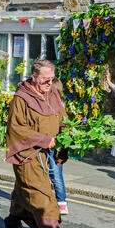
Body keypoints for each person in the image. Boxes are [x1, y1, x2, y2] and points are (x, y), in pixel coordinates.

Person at [3, 59, 68, 228]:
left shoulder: (53, 93)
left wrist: (65, 139)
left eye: (52, 79)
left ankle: (13, 219)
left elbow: (61, 118)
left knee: (24, 189)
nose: (49, 83)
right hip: (28, 154)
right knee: (42, 194)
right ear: (34, 77)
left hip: (45, 154)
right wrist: (42, 139)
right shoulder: (21, 99)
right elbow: (15, 128)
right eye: (45, 79)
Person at [50, 78, 69, 215]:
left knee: (55, 174)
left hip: (54, 145)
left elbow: (64, 126)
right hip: (56, 144)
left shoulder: (57, 105)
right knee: (56, 174)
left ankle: (61, 202)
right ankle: (60, 202)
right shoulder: (60, 103)